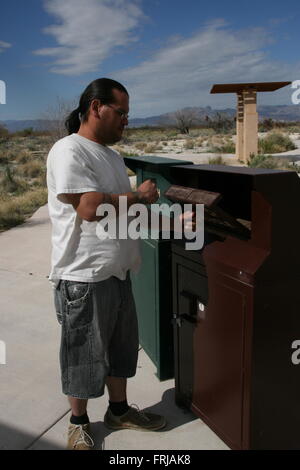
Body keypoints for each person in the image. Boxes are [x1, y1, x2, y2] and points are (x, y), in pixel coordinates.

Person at [46, 78, 166, 450]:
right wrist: (138, 194)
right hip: (84, 275)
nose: (126, 121)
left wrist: (158, 215)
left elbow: (119, 208)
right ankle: (78, 422)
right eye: (122, 112)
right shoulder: (69, 150)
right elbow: (90, 207)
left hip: (118, 271)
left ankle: (119, 410)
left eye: (128, 114)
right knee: (83, 354)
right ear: (97, 107)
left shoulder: (112, 156)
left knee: (121, 349)